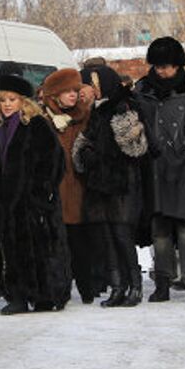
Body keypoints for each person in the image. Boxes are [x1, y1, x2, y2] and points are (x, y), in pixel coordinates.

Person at [0, 73, 72, 314]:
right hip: (5, 201)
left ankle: (44, 295)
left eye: (12, 99)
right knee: (11, 249)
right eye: (3, 100)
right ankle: (18, 296)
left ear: (24, 101)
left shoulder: (36, 124)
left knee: (38, 248)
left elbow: (54, 161)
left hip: (32, 202)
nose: (7, 104)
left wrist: (40, 192)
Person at [132, 36, 185, 304]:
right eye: (157, 65)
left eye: (166, 66)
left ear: (178, 65)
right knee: (160, 228)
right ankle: (163, 281)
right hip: (154, 163)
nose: (161, 71)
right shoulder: (143, 89)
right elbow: (135, 121)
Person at [72, 66, 150, 307]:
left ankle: (135, 286)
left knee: (122, 234)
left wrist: (104, 151)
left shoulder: (124, 106)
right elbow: (86, 140)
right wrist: (85, 153)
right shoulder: (99, 110)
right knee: (107, 236)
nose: (89, 89)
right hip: (101, 182)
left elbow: (135, 147)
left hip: (121, 182)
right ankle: (117, 286)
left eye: (92, 83)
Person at [41, 68, 94, 303]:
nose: (73, 95)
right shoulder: (43, 122)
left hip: (80, 190)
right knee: (55, 244)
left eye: (75, 90)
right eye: (67, 91)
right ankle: (59, 288)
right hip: (54, 191)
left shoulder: (85, 117)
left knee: (81, 242)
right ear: (54, 95)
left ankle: (87, 288)